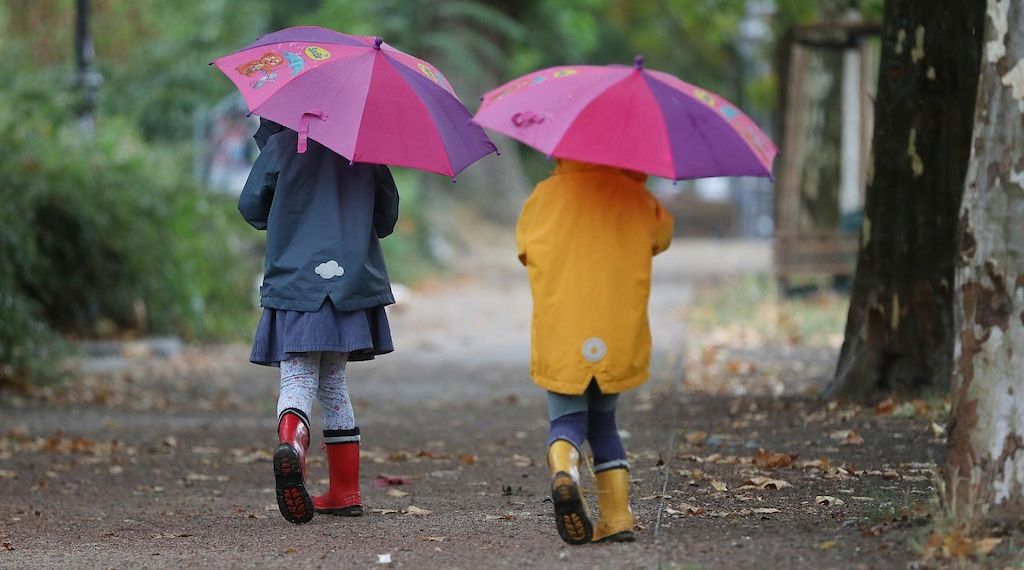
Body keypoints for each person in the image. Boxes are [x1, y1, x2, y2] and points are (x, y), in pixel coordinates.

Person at [238, 118, 399, 524]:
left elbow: (252, 208)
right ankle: (346, 490)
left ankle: (292, 447)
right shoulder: (366, 151)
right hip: (348, 285)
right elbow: (385, 220)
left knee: (296, 377)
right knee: (332, 383)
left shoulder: (283, 146)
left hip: (297, 281)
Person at [515, 159, 673, 544]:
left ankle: (564, 469)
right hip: (615, 328)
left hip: (563, 328)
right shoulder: (637, 196)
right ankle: (617, 518)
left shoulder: (544, 197)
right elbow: (661, 237)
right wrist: (635, 176)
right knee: (604, 423)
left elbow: (524, 249)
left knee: (567, 420)